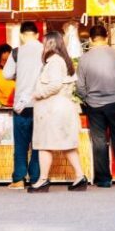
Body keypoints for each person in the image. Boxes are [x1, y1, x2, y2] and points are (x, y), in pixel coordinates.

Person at [28, 31, 87, 193]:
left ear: (50, 44)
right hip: (62, 108)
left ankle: (43, 180)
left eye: (44, 42)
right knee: (67, 144)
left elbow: (54, 85)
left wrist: (37, 94)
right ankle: (80, 177)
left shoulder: (54, 62)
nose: (43, 45)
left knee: (44, 144)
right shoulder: (63, 61)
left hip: (52, 110)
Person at [76, 25, 115, 188]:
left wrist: (86, 98)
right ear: (107, 38)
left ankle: (104, 179)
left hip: (94, 105)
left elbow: (80, 86)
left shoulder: (84, 58)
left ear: (90, 39)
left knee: (99, 141)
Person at [2, 22, 42, 189]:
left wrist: (20, 75)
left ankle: (19, 179)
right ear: (37, 35)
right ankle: (36, 178)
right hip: (40, 103)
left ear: (21, 35)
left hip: (21, 105)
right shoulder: (45, 50)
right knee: (38, 144)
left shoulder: (17, 52)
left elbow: (6, 74)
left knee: (21, 144)